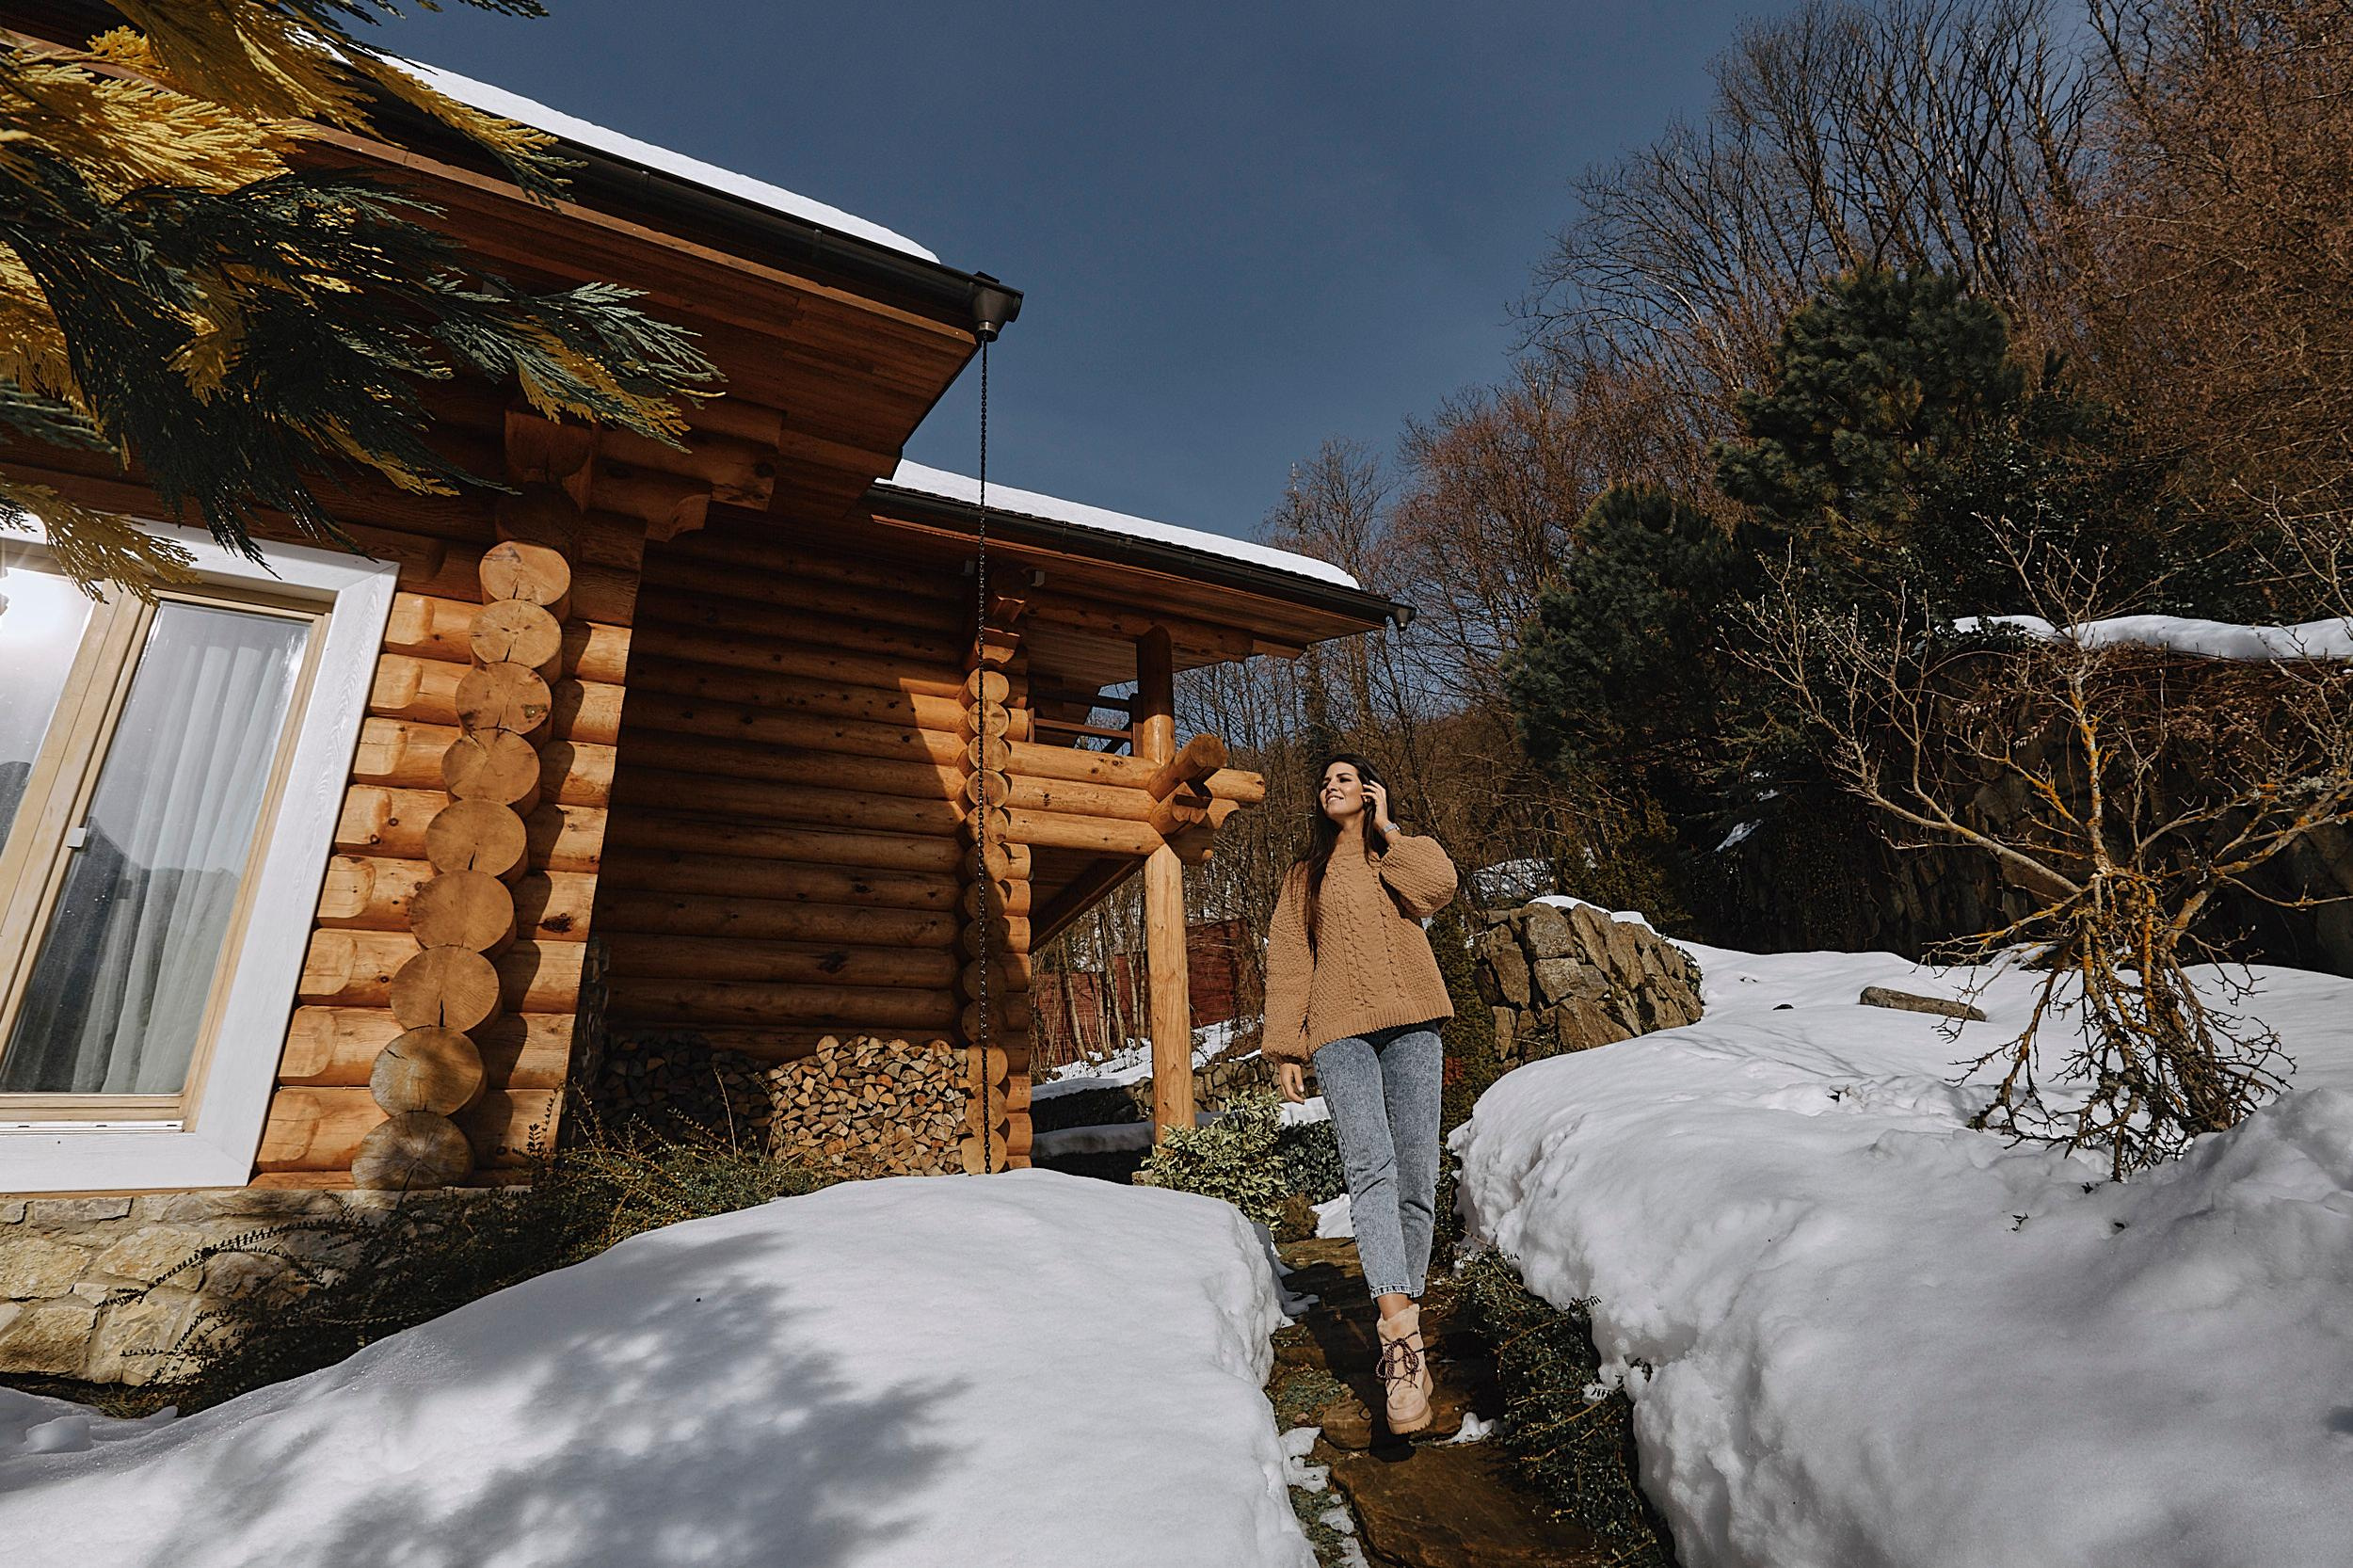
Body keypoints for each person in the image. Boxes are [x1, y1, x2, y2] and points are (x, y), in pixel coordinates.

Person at [1263, 753, 1459, 1435]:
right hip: (1339, 1034)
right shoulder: (1302, 878)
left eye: (1345, 778)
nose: (1332, 787)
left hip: (1412, 1027)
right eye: (1324, 782)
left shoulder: (1396, 856)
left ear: (1369, 789)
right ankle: (1402, 1350)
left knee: (1417, 1176)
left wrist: (1390, 827)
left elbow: (1438, 889)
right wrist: (1287, 1044)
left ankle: (1404, 1320)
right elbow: (1290, 961)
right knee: (1370, 1170)